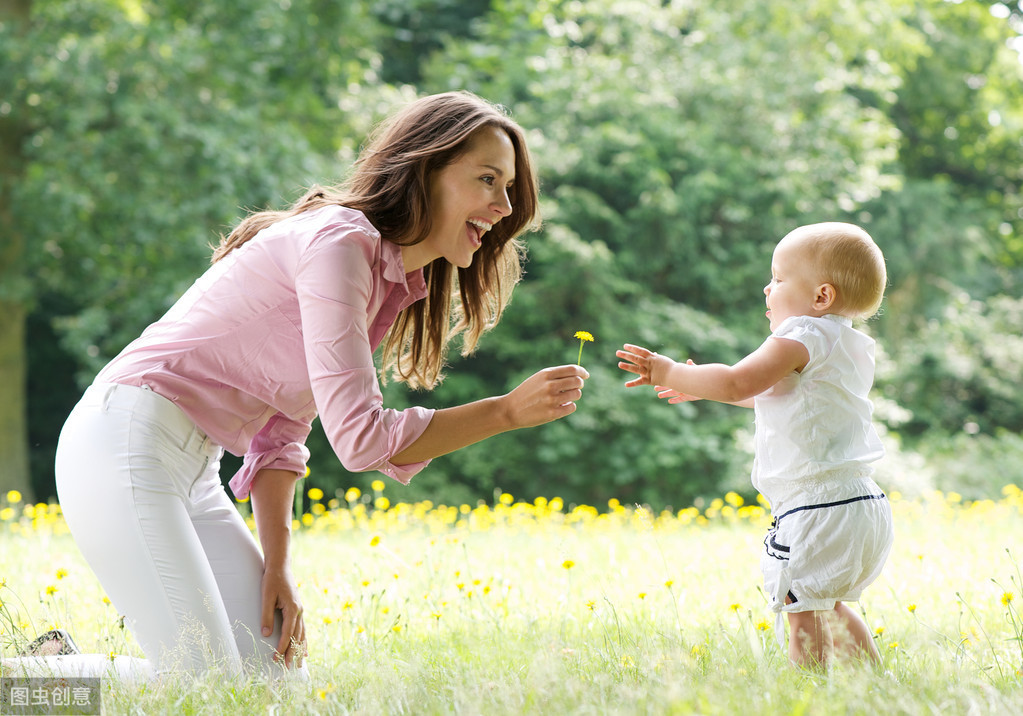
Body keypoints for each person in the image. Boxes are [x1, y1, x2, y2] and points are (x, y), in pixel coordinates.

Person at [5, 91, 588, 681]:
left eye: (509, 187)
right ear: (424, 170)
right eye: (488, 179)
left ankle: (53, 668)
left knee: (277, 680)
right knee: (202, 688)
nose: (504, 205)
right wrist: (506, 412)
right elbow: (361, 440)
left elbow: (282, 431)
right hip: (125, 440)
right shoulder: (341, 245)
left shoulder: (384, 281)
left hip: (190, 471)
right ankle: (30, 678)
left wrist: (277, 568)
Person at [617, 222, 893, 669]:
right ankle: (877, 687)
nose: (768, 288)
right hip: (862, 505)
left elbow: (736, 381)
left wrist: (670, 372)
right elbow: (764, 392)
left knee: (803, 611)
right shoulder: (850, 343)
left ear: (821, 296)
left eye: (779, 278)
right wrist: (700, 386)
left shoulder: (803, 332)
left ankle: (806, 695)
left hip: (816, 507)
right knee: (829, 607)